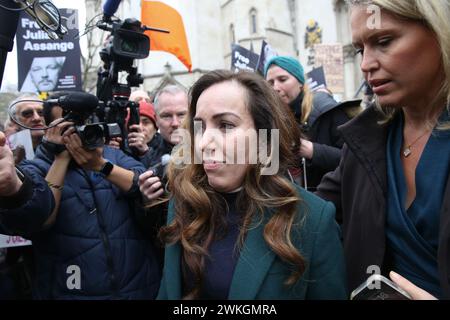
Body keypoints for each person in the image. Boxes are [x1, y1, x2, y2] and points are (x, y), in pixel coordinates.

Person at [149, 70, 347, 300]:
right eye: (199, 126)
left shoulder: (312, 218)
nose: (204, 143)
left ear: (263, 136)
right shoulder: (183, 200)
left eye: (225, 125)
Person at [316, 0, 450, 299]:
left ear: (441, 32)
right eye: (361, 49)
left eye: (384, 42)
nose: (365, 64)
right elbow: (313, 214)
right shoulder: (368, 137)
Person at [0, 112, 161, 298]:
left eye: (80, 125)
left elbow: (143, 182)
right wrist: (60, 157)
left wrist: (101, 165)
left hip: (140, 285)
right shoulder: (37, 166)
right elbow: (36, 216)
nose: (74, 134)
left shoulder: (111, 155)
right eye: (65, 127)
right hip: (71, 290)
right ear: (49, 128)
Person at [264, 56, 356, 190]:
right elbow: (264, 171)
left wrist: (312, 150)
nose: (276, 87)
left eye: (283, 79)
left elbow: (357, 159)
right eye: (270, 83)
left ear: (300, 82)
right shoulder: (266, 119)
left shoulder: (327, 109)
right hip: (287, 203)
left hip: (330, 203)